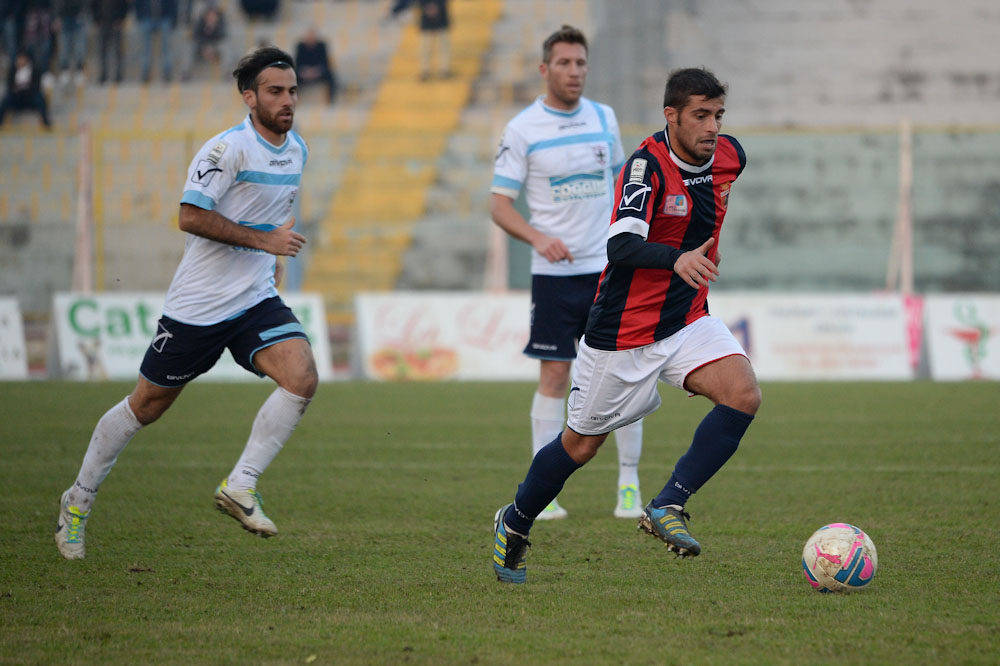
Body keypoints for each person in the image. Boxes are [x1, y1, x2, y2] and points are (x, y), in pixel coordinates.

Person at [492, 67, 762, 584]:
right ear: (671, 116)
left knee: (743, 394)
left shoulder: (730, 156)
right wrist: (677, 258)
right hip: (623, 334)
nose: (712, 127)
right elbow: (620, 246)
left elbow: (711, 194)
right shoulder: (645, 168)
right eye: (700, 116)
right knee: (580, 445)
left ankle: (667, 505)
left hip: (686, 318)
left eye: (718, 115)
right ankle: (516, 520)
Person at [55, 46, 318, 560]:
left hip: (254, 298)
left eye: (291, 92)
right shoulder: (225, 151)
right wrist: (265, 243)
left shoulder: (298, 150)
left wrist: (274, 250)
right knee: (146, 406)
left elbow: (270, 216)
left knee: (302, 377)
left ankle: (240, 485)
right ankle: (78, 499)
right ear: (249, 98)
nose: (287, 101)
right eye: (275, 92)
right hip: (198, 306)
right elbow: (190, 217)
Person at [490, 25, 644, 522]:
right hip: (555, 276)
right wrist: (538, 238)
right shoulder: (522, 129)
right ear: (545, 69)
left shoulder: (604, 117)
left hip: (609, 270)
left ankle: (628, 486)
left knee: (624, 378)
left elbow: (624, 183)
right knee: (555, 374)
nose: (574, 71)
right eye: (564, 63)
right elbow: (499, 205)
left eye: (580, 63)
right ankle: (547, 490)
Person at [388, 0, 449, 80]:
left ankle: (444, 69)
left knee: (443, 46)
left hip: (441, 17)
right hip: (426, 19)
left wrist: (437, 8)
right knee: (425, 47)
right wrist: (428, 8)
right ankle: (425, 70)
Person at [0, 50, 51, 127]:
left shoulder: (35, 70)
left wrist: (24, 89)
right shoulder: (13, 71)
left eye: (22, 59)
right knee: (6, 99)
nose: (20, 61)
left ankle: (46, 122)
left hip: (30, 97)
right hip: (16, 97)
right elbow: (9, 86)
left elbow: (36, 86)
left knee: (40, 98)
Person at [135, 0, 177, 82]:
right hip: (147, 18)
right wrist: (139, 17)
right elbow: (137, 4)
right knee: (145, 49)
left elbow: (173, 4)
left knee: (166, 47)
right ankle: (145, 72)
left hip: (164, 18)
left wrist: (173, 19)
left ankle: (167, 72)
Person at [294, 28, 336, 104]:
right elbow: (297, 63)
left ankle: (331, 100)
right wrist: (304, 71)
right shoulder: (300, 46)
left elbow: (325, 62)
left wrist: (317, 71)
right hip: (304, 73)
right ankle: (294, 99)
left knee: (331, 75)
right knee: (292, 76)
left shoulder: (322, 46)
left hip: (319, 72)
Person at [53, 0, 88, 85]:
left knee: (79, 46)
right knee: (64, 46)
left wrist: (84, 11)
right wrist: (56, 16)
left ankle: (79, 70)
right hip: (64, 16)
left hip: (79, 16)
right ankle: (64, 70)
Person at [92, 0, 126, 84]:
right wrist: (96, 19)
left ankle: (118, 75)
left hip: (116, 25)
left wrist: (121, 19)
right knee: (102, 52)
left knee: (118, 52)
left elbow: (124, 5)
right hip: (103, 24)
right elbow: (93, 5)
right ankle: (103, 75)